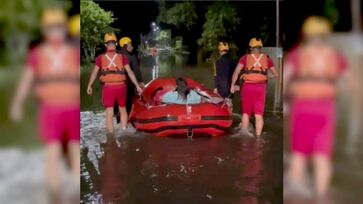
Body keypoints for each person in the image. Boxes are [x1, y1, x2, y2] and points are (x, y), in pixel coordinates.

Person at [10, 8, 80, 202]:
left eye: (58, 28)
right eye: (53, 28)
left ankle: (66, 193)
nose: (56, 32)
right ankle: (58, 193)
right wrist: (17, 103)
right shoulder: (42, 53)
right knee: (56, 150)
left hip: (65, 107)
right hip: (55, 108)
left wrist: (17, 104)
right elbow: (26, 79)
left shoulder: (56, 52)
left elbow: (27, 79)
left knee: (67, 148)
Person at [284, 16, 349, 200]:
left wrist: (287, 102)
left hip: (302, 109)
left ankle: (296, 194)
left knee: (299, 155)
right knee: (323, 157)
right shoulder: (335, 55)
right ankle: (321, 197)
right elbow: (347, 82)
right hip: (326, 110)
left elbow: (286, 79)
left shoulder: (298, 54)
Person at [87, 33, 143, 134]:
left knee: (109, 111)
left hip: (108, 88)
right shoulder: (123, 57)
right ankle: (124, 131)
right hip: (121, 86)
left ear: (105, 45)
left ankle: (111, 135)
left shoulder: (100, 58)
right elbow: (130, 72)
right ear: (116, 43)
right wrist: (137, 85)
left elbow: (95, 72)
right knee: (123, 109)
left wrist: (89, 85)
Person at [230, 38, 278, 137]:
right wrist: (268, 76)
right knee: (258, 114)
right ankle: (258, 137)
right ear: (261, 48)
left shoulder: (245, 58)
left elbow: (236, 72)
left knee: (246, 113)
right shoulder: (267, 59)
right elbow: (276, 74)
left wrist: (232, 85)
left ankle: (243, 134)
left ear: (251, 48)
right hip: (261, 88)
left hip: (248, 87)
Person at [113, 37, 144, 123]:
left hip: (114, 83)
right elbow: (136, 70)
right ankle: (125, 120)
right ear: (125, 46)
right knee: (127, 101)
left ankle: (117, 117)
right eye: (130, 45)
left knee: (116, 101)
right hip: (127, 83)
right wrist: (140, 81)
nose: (132, 47)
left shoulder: (115, 54)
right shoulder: (131, 56)